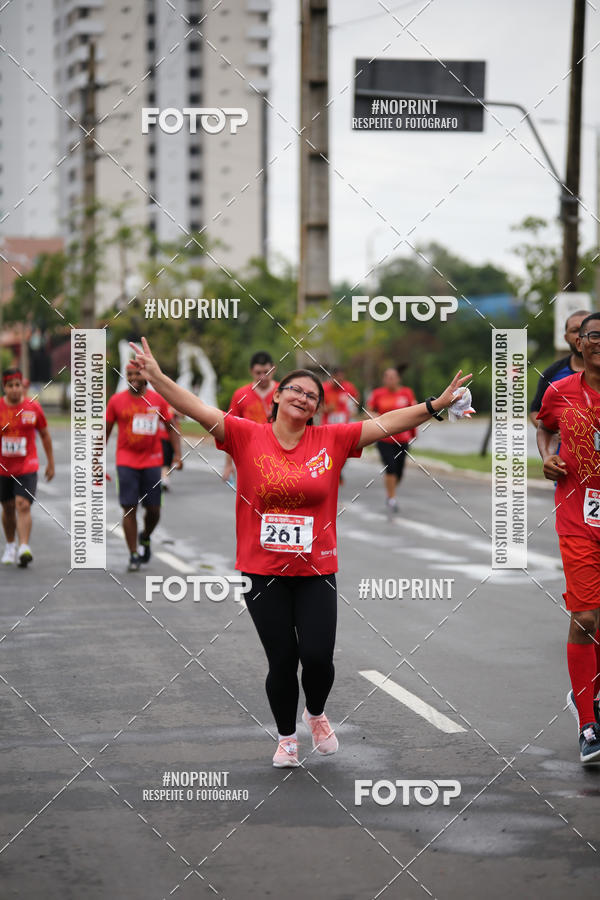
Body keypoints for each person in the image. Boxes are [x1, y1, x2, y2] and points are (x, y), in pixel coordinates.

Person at [129, 336, 470, 767]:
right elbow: (196, 407)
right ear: (276, 396)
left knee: (317, 657)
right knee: (283, 660)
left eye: (312, 396)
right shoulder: (244, 435)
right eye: (296, 390)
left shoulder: (332, 440)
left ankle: (315, 713)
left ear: (316, 410)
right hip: (261, 570)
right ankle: (287, 737)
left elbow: (386, 422)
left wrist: (434, 406)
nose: (304, 398)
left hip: (316, 569)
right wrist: (158, 377)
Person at [536, 311, 600, 764]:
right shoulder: (560, 391)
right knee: (586, 618)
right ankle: (587, 725)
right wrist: (547, 457)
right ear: (580, 343)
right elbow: (544, 428)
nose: (598, 342)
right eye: (593, 335)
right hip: (578, 518)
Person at [106, 362, 182, 571]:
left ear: (145, 375)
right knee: (129, 507)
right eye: (129, 375)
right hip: (126, 461)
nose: (133, 378)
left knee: (154, 510)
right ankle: (133, 554)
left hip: (152, 461)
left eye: (137, 374)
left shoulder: (157, 400)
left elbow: (171, 427)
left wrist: (177, 454)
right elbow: (104, 432)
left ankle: (145, 536)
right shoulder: (116, 401)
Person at [0, 367, 55, 567]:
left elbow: (45, 435)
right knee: (7, 508)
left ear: (22, 386)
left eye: (17, 385)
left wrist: (50, 462)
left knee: (23, 505)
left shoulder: (33, 408)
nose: (15, 389)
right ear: (4, 387)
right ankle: (10, 545)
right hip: (3, 467)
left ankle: (24, 546)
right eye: (10, 386)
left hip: (27, 465)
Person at [221, 351, 278, 485]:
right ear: (251, 371)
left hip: (277, 454)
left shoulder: (283, 392)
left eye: (266, 372)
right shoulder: (240, 395)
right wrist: (228, 464)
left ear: (273, 370)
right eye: (258, 373)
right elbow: (230, 430)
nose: (263, 377)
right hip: (249, 455)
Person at [366, 366, 417, 514]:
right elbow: (367, 411)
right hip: (384, 438)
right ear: (384, 379)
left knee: (399, 471)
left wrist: (414, 433)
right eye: (387, 377)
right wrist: (376, 417)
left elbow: (414, 413)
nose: (390, 380)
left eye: (393, 377)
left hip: (403, 439)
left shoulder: (406, 393)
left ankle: (391, 491)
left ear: (398, 379)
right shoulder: (378, 394)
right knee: (391, 467)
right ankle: (391, 498)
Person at [529, 310, 589, 426]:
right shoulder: (552, 374)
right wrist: (552, 433)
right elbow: (535, 411)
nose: (580, 336)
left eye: (586, 329)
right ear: (566, 338)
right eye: (575, 331)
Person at [321, 367, 360, 484]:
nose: (340, 379)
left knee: (344, 453)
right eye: (337, 377)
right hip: (328, 428)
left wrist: (354, 408)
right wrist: (326, 408)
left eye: (342, 377)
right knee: (330, 452)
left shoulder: (349, 387)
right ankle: (332, 474)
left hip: (344, 427)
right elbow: (318, 406)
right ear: (332, 377)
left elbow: (356, 398)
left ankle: (337, 470)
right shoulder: (324, 388)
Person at [158, 404, 180, 491]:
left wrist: (175, 411)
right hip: (163, 436)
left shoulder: (175, 402)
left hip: (173, 438)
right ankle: (164, 479)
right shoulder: (162, 404)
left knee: (170, 460)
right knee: (165, 461)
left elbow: (183, 414)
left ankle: (164, 477)